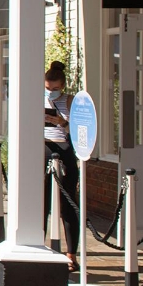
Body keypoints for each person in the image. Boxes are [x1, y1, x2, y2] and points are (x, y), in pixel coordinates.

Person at [44, 61, 81, 270]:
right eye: (48, 89)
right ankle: (39, 248)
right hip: (43, 147)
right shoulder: (39, 98)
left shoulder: (70, 102)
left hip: (64, 148)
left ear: (63, 86)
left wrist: (62, 122)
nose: (51, 93)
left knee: (68, 204)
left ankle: (70, 254)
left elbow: (78, 132)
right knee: (43, 202)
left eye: (55, 89)